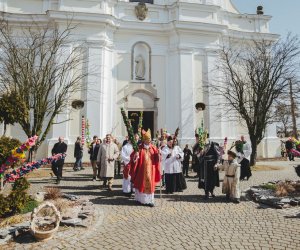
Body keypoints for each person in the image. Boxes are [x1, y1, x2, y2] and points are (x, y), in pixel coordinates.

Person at [130, 129, 160, 207]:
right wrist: (135, 156)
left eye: (149, 139)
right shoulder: (139, 148)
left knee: (150, 184)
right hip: (141, 170)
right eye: (147, 139)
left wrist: (159, 155)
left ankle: (150, 200)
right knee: (141, 184)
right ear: (144, 139)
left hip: (151, 170)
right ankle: (140, 200)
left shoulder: (153, 148)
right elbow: (133, 157)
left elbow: (157, 159)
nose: (149, 140)